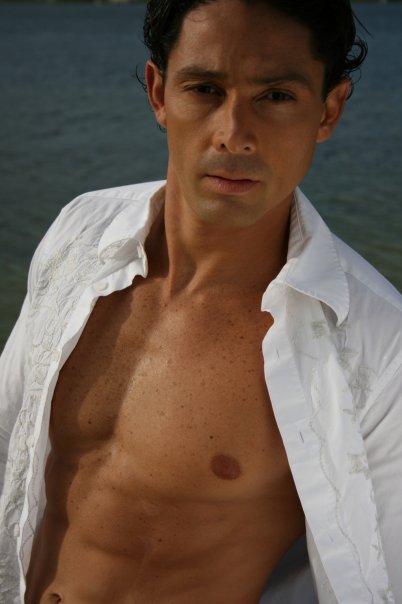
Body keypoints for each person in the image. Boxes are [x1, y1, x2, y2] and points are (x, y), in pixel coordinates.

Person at [0, 0, 401, 602]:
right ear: (159, 93)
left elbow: (383, 580)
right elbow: (8, 434)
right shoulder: (81, 232)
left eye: (276, 96)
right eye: (206, 89)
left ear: (329, 109)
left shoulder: (374, 342)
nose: (233, 134)